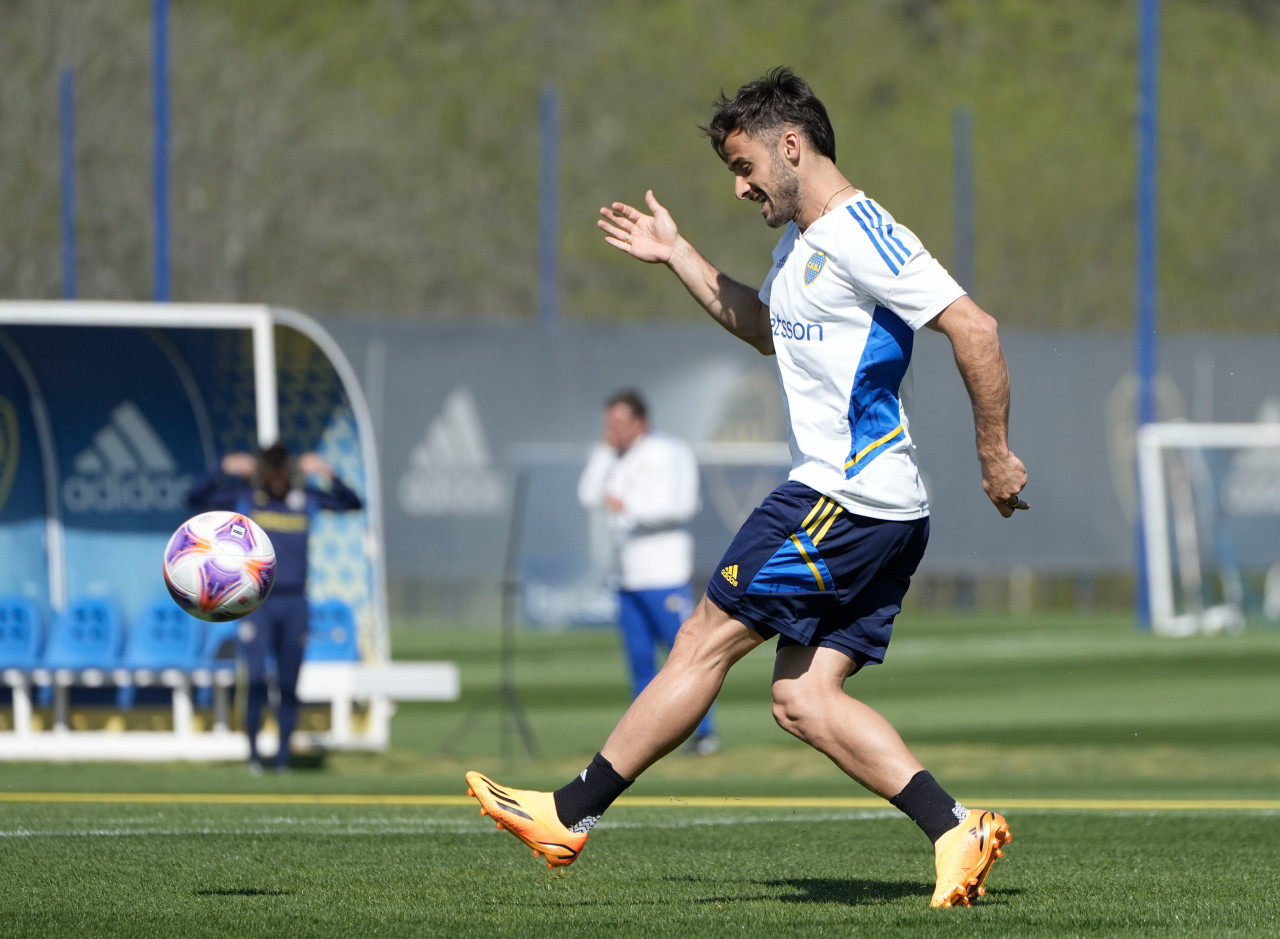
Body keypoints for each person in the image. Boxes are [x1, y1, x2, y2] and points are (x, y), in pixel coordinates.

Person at [466, 67, 1028, 908]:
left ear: (791, 145)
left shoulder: (863, 232)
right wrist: (677, 254)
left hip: (841, 497)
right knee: (803, 698)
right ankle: (956, 827)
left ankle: (569, 812)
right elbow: (764, 329)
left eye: (745, 165)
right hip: (879, 509)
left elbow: (973, 328)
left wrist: (995, 453)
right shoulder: (800, 243)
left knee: (701, 636)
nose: (740, 186)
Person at [187, 443, 363, 773]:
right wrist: (222, 468)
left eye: (284, 473)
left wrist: (329, 473)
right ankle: (254, 756)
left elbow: (353, 503)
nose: (279, 481)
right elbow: (195, 499)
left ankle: (283, 758)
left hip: (295, 602)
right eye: (273, 474)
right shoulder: (246, 499)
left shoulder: (306, 499)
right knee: (254, 680)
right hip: (257, 602)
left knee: (288, 683)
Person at [577, 389, 717, 755]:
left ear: (641, 422)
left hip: (664, 572)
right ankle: (645, 737)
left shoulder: (669, 451)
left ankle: (703, 733)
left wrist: (630, 507)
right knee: (639, 659)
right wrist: (605, 453)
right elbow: (588, 495)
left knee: (685, 655)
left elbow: (683, 505)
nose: (613, 431)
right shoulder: (611, 456)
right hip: (626, 575)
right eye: (609, 424)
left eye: (620, 423)